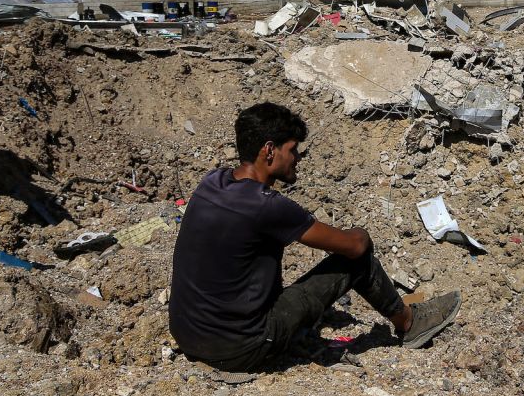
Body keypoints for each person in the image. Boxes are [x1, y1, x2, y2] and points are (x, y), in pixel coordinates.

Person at [169, 102, 461, 371]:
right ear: (269, 150)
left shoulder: (212, 182)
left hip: (188, 335)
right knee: (357, 261)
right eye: (292, 149)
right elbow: (354, 246)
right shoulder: (267, 205)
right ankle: (409, 323)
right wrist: (362, 233)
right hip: (241, 349)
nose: (297, 157)